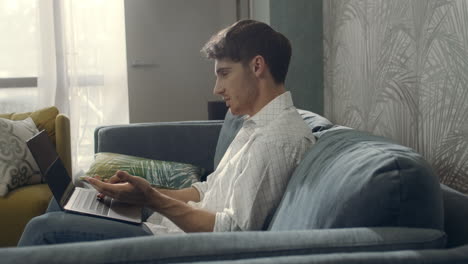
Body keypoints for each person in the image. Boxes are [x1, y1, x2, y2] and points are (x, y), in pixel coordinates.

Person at [18, 19, 315, 245]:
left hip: (176, 244)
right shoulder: (255, 124)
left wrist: (151, 199)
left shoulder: (277, 139)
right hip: (168, 223)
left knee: (42, 230)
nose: (217, 89)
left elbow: (232, 233)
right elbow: (206, 190)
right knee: (68, 199)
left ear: (257, 66)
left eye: (224, 73)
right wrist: (140, 193)